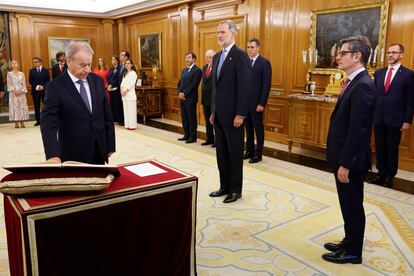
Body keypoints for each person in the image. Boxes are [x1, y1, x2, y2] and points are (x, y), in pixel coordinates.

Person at [323, 36, 377, 264]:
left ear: (357, 56)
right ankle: (349, 241)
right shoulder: (354, 81)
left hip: (351, 161)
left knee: (353, 205)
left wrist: (345, 163)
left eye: (343, 53)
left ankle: (354, 252)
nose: (338, 56)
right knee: (348, 204)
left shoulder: (363, 85)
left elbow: (359, 131)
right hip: (346, 157)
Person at [40, 41, 115, 164]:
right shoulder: (54, 86)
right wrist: (52, 154)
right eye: (82, 65)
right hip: (72, 151)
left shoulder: (97, 81)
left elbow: (106, 114)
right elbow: (48, 123)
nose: (87, 69)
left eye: (89, 65)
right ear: (69, 61)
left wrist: (110, 143)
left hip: (98, 148)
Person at [209, 20, 251, 203]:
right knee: (222, 154)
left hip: (234, 116)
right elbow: (215, 88)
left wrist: (240, 114)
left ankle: (235, 189)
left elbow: (245, 88)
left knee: (234, 154)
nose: (219, 35)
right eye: (218, 32)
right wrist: (213, 111)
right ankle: (224, 186)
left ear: (233, 34)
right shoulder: (217, 56)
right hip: (218, 114)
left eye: (223, 32)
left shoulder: (240, 56)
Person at [368, 44, 414, 188]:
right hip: (379, 117)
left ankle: (389, 176)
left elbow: (411, 100)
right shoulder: (379, 73)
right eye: (389, 52)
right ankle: (380, 174)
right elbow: (375, 96)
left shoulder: (409, 74)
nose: (390, 55)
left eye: (394, 52)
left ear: (401, 55)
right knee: (380, 147)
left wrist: (407, 121)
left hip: (396, 119)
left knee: (391, 149)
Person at [244, 38, 272, 163]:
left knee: (258, 129)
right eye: (248, 47)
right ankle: (249, 151)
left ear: (258, 48)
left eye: (252, 47)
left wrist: (262, 103)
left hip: (257, 104)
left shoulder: (264, 63)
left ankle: (258, 154)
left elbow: (266, 85)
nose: (249, 49)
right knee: (248, 129)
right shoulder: (245, 62)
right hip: (245, 103)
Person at [177, 52, 202, 143]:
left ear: (194, 59)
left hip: (190, 98)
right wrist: (179, 92)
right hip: (182, 98)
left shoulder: (197, 70)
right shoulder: (184, 70)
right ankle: (186, 135)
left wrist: (184, 93)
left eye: (189, 57)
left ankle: (193, 136)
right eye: (186, 57)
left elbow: (194, 84)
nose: (187, 59)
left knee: (191, 117)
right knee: (184, 117)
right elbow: (179, 83)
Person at [7, 59, 29, 128]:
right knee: (15, 107)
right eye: (12, 63)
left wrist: (22, 91)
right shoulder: (9, 74)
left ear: (18, 65)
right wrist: (14, 91)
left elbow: (24, 83)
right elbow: (9, 84)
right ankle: (16, 122)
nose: (14, 64)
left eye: (15, 63)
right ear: (11, 65)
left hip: (21, 92)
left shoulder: (21, 73)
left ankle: (22, 121)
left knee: (21, 106)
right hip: (13, 93)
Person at [28, 56, 50, 126]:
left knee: (45, 106)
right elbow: (30, 81)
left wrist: (43, 86)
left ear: (40, 62)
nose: (34, 63)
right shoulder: (31, 71)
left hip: (44, 91)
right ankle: (38, 121)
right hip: (35, 91)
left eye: (36, 62)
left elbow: (48, 80)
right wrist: (37, 86)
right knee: (36, 106)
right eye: (34, 62)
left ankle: (46, 120)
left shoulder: (46, 70)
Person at [201, 49, 216, 147]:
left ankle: (217, 141)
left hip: (214, 99)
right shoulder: (204, 67)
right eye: (207, 57)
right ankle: (209, 139)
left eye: (210, 57)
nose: (208, 59)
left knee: (215, 121)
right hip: (205, 98)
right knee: (207, 120)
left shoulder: (217, 67)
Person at [120, 59, 138, 130]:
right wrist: (121, 90)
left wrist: (125, 90)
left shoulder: (133, 73)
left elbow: (131, 84)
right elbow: (122, 83)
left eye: (128, 63)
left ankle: (132, 125)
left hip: (130, 95)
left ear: (131, 65)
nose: (127, 64)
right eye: (126, 63)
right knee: (126, 111)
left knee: (131, 111)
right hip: (124, 96)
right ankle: (127, 125)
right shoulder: (125, 73)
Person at [107, 55, 124, 125]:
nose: (112, 61)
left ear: (117, 61)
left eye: (114, 60)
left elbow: (118, 78)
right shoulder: (111, 69)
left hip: (116, 88)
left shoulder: (120, 68)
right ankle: (113, 119)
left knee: (117, 104)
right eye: (112, 59)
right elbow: (109, 77)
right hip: (111, 89)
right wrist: (109, 84)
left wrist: (112, 84)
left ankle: (118, 119)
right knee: (112, 104)